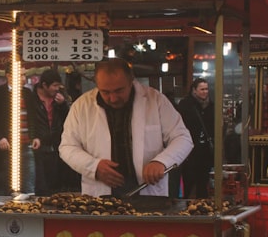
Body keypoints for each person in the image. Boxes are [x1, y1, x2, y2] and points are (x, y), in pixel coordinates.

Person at [60, 58, 193, 197]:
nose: (113, 98)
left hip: (147, 189)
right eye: (105, 92)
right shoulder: (81, 106)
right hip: (100, 190)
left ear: (131, 81)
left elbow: (182, 138)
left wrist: (161, 161)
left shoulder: (156, 100)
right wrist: (93, 167)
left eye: (119, 90)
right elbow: (67, 147)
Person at [27, 69, 70, 196]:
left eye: (59, 85)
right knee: (40, 185)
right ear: (45, 85)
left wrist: (63, 104)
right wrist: (34, 137)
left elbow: (68, 118)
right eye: (55, 85)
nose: (57, 88)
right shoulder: (31, 98)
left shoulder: (60, 97)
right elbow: (30, 120)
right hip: (38, 145)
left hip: (56, 145)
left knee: (55, 185)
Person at [176, 78, 216, 198]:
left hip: (205, 152)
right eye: (202, 89)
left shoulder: (211, 106)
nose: (205, 92)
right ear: (194, 90)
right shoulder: (185, 105)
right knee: (188, 183)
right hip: (190, 151)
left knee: (203, 183)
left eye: (206, 89)